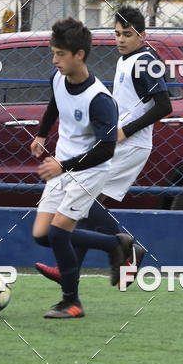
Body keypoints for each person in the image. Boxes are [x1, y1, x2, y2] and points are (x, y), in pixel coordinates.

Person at [36, 5, 172, 289]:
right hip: (118, 141)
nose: (121, 39)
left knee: (83, 202)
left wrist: (125, 129)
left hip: (130, 145)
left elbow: (164, 106)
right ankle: (72, 266)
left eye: (128, 34)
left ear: (142, 36)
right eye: (117, 33)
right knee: (83, 206)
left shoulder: (146, 60)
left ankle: (122, 249)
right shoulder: (125, 59)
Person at [31, 17, 141, 319]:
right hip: (62, 166)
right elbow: (55, 104)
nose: (55, 60)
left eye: (61, 54)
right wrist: (42, 134)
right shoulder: (58, 76)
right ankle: (115, 244)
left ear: (79, 54)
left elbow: (106, 151)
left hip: (89, 171)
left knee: (58, 234)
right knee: (41, 235)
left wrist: (62, 165)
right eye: (53, 53)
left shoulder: (100, 100)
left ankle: (72, 303)